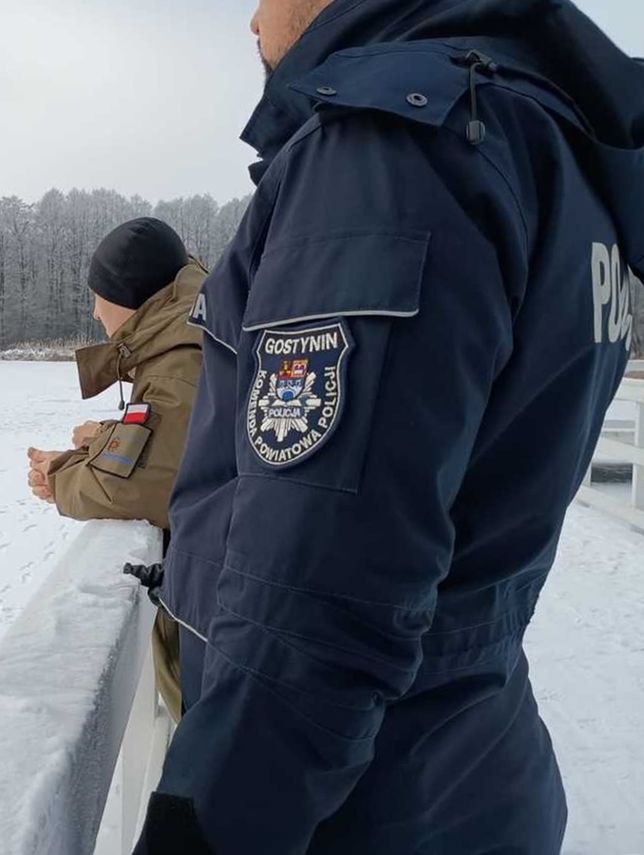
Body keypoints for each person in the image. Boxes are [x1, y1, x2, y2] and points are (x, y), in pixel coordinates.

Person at [135, 1, 643, 853]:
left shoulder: (391, 148)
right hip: (474, 771)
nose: (251, 22)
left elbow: (313, 602)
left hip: (363, 803)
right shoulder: (554, 147)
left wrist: (201, 828)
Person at [27, 217, 205, 720]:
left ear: (129, 300)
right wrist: (100, 439)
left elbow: (141, 484)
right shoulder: (187, 333)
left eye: (99, 295)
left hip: (218, 619)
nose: (94, 308)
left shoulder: (178, 362)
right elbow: (171, 442)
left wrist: (58, 478)